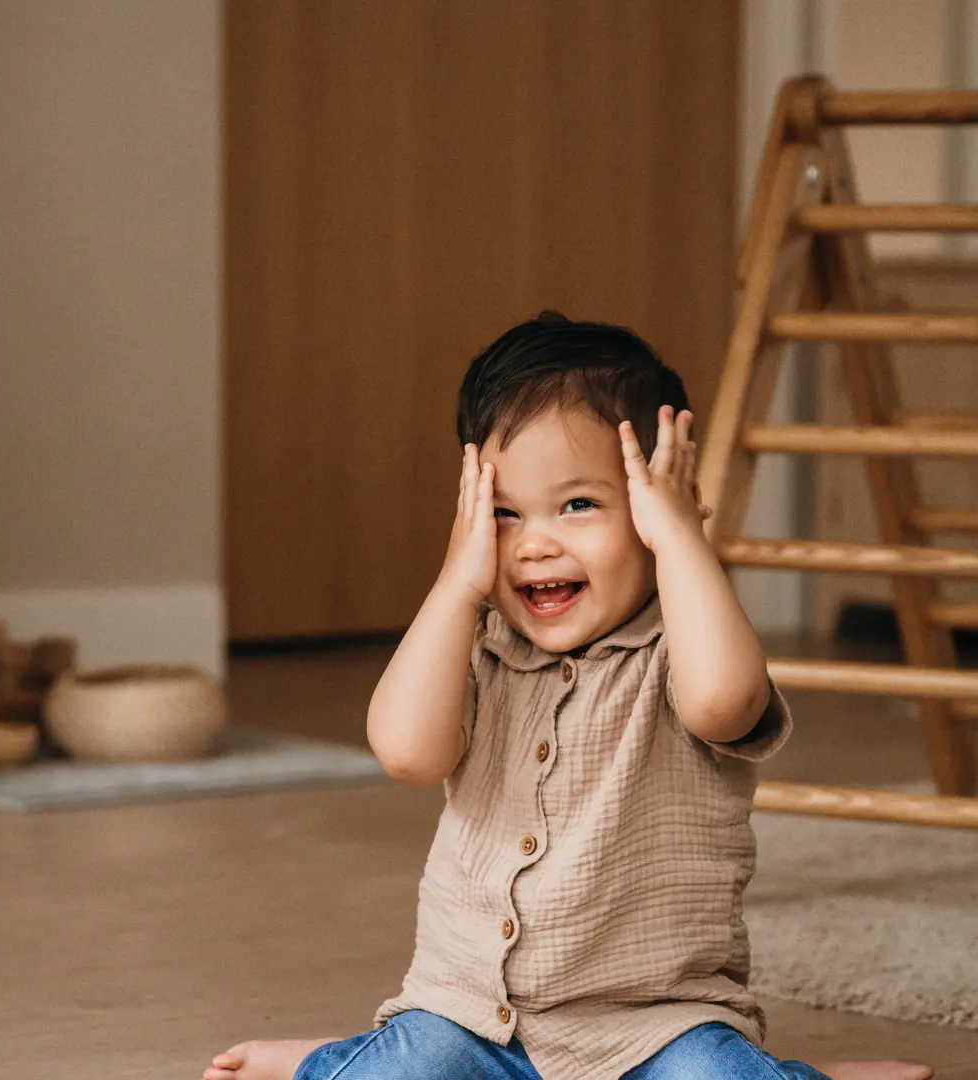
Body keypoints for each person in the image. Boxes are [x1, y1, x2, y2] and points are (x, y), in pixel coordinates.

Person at [204, 314, 932, 1080]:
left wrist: (680, 539)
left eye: (577, 505)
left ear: (664, 504)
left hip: (657, 1029)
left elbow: (725, 703)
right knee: (404, 1068)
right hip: (470, 1020)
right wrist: (456, 583)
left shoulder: (682, 649)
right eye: (505, 513)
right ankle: (335, 1061)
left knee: (715, 1076)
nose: (534, 543)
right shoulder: (478, 648)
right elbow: (407, 752)